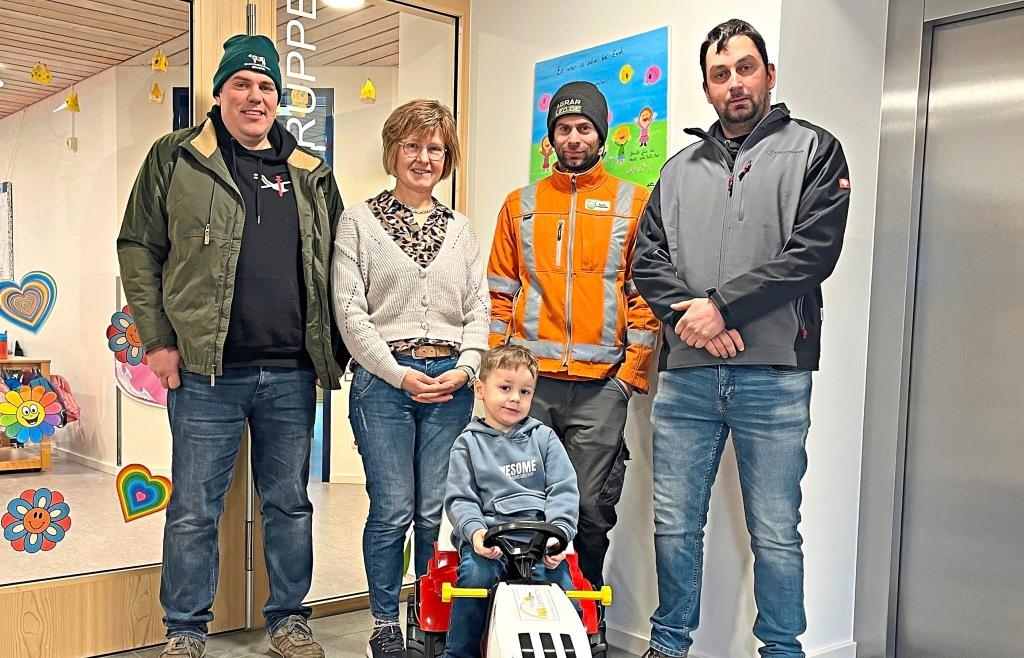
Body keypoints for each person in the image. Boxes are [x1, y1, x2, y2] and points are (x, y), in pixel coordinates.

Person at [117, 34, 348, 658]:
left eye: (266, 87)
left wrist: (338, 352)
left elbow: (339, 265)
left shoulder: (309, 171)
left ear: (279, 97)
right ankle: (185, 630)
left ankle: (289, 620)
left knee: (290, 505)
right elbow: (138, 247)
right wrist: (157, 341)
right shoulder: (176, 157)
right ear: (219, 93)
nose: (255, 97)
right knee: (194, 507)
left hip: (291, 373)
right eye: (241, 85)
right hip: (203, 372)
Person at [632, 19, 851, 658]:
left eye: (746, 68)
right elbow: (648, 260)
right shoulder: (677, 170)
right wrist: (691, 318)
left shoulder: (817, 150)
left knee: (777, 531)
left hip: (776, 376)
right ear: (706, 87)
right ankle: (669, 644)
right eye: (721, 74)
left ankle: (782, 651)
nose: (735, 84)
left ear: (769, 75)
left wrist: (723, 308)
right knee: (674, 525)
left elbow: (812, 252)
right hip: (688, 375)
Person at [331, 99, 490, 658]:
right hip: (384, 384)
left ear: (447, 159)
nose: (424, 158)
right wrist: (399, 375)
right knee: (393, 508)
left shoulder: (461, 229)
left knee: (433, 513)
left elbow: (479, 308)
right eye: (413, 146)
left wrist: (467, 367)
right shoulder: (357, 221)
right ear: (393, 152)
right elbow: (349, 313)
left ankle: (427, 614)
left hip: (451, 384)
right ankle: (382, 623)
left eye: (435, 150)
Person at [487, 80, 659, 588]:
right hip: (530, 387)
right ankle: (517, 612)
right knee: (520, 504)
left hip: (602, 388)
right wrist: (500, 373)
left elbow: (645, 295)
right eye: (564, 128)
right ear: (551, 138)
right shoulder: (520, 204)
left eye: (585, 128)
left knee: (589, 509)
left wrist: (629, 377)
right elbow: (499, 293)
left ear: (601, 135)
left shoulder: (635, 202)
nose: (575, 137)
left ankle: (584, 617)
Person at [442, 345, 579, 658]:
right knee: (476, 579)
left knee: (562, 591)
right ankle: (459, 652)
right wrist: (476, 533)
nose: (515, 398)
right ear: (480, 389)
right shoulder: (468, 443)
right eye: (505, 388)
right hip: (490, 541)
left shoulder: (543, 438)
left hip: (540, 542)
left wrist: (558, 534)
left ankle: (573, 646)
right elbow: (461, 498)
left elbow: (563, 489)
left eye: (525, 391)